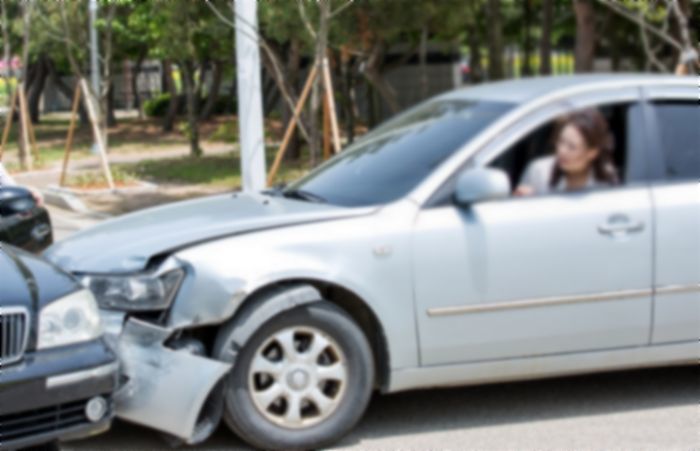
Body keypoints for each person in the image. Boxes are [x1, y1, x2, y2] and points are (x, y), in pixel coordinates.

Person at [515, 108, 618, 196]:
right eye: (561, 141)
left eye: (571, 147)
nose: (562, 150)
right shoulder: (539, 171)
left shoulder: (605, 184)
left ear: (592, 153)